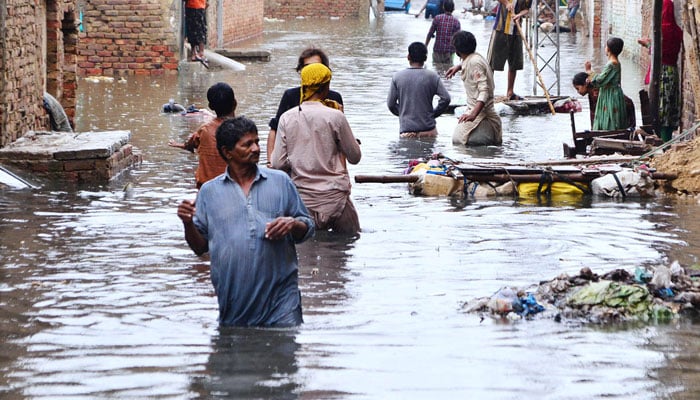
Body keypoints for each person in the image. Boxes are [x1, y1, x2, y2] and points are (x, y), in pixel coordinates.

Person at [176, 116, 314, 327]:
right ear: (227, 152)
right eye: (247, 144)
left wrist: (292, 224)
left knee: (283, 351)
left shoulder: (280, 182)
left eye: (257, 141)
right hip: (234, 302)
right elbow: (200, 247)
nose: (257, 148)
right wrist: (187, 223)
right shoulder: (209, 192)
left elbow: (308, 227)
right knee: (235, 353)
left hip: (282, 303)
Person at [271, 63, 362, 235]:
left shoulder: (286, 118)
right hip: (336, 199)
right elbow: (355, 157)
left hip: (302, 200)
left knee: (305, 255)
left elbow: (277, 164)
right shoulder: (336, 116)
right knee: (346, 247)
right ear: (326, 86)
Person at [267, 47, 343, 166]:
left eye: (317, 66)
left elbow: (341, 139)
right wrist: (270, 162)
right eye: (307, 67)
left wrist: (343, 171)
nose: (312, 70)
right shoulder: (290, 95)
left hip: (326, 163)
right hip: (295, 162)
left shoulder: (334, 98)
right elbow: (275, 129)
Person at [169, 82, 236, 188]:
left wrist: (180, 145)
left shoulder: (205, 130)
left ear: (210, 106)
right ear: (235, 103)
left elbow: (191, 144)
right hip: (235, 189)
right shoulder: (244, 131)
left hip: (207, 189)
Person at [446, 31, 503, 146]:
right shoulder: (475, 58)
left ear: (458, 50)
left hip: (481, 116)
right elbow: (472, 66)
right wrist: (458, 66)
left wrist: (473, 114)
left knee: (458, 142)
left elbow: (484, 91)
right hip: (481, 113)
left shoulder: (474, 63)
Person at [637, 0, 682, 142]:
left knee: (661, 109)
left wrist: (647, 43)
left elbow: (658, 50)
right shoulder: (678, 31)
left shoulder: (661, 30)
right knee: (669, 109)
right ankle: (666, 139)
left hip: (661, 73)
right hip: (672, 71)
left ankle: (662, 142)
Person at [387, 42, 451, 138]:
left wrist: (405, 114)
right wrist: (433, 114)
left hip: (407, 132)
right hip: (429, 130)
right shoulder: (432, 76)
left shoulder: (397, 77)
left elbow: (391, 104)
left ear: (408, 57)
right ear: (425, 58)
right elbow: (446, 98)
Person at [487, 0, 532, 100]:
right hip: (501, 28)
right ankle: (487, 92)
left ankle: (510, 91)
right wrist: (506, 3)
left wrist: (519, 15)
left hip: (516, 30)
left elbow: (526, 9)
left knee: (514, 63)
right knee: (492, 62)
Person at [584, 37, 628, 131]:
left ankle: (608, 135)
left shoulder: (611, 64)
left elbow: (600, 80)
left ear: (608, 49)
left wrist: (589, 71)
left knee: (610, 118)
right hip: (613, 92)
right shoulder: (616, 63)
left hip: (610, 95)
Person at [425, 0, 461, 64]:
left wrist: (425, 46)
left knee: (436, 68)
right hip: (450, 51)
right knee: (448, 70)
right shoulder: (456, 22)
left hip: (437, 50)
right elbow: (458, 38)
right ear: (453, 9)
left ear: (443, 7)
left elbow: (430, 34)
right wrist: (460, 53)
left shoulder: (437, 18)